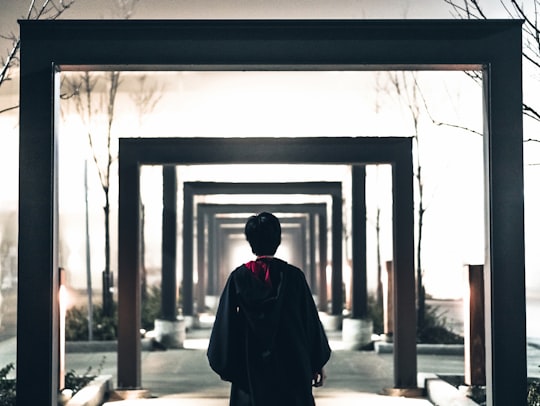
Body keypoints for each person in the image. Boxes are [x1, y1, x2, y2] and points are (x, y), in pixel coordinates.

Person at [207, 212, 331, 406]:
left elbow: (225, 324)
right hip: (293, 364)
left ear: (250, 241)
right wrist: (317, 363)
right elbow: (310, 322)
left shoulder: (238, 278)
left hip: (250, 366)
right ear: (278, 240)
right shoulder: (294, 277)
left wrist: (227, 365)